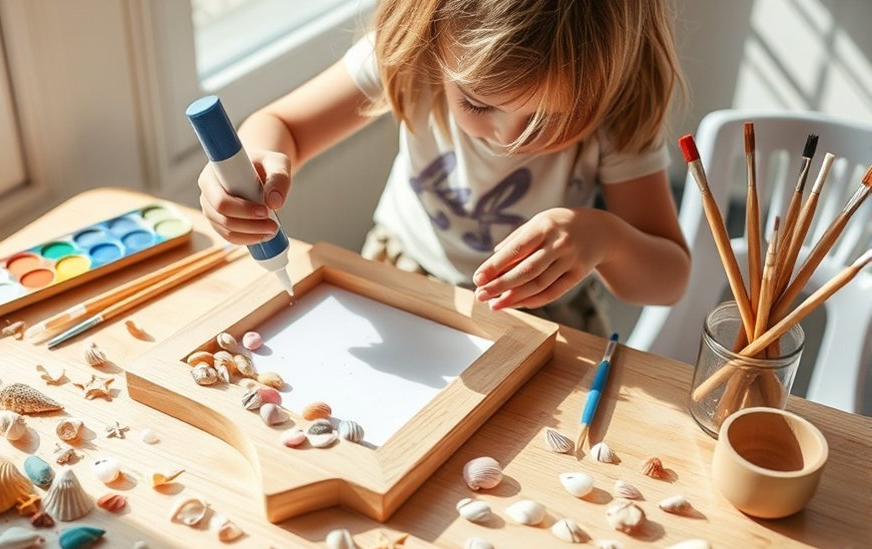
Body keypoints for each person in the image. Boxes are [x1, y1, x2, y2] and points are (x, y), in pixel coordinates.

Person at [196, 0, 691, 335]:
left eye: (550, 118)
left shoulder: (619, 112)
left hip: (541, 313)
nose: (510, 137)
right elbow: (282, 125)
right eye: (477, 103)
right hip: (402, 275)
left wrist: (605, 238)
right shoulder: (414, 53)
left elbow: (668, 280)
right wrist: (252, 165)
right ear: (431, 42)